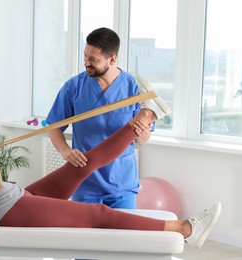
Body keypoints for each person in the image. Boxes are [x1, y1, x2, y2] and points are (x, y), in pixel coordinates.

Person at [0, 97, 220, 249]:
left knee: (83, 162)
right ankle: (185, 227)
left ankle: (142, 121)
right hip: (9, 212)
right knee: (97, 215)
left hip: (17, 195)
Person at [46, 27, 168, 209]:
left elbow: (143, 140)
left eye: (93, 59)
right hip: (85, 184)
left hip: (121, 184)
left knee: (124, 236)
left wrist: (143, 134)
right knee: (86, 237)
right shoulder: (73, 87)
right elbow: (53, 125)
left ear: (112, 59)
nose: (86, 63)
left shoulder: (133, 89)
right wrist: (65, 151)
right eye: (85, 56)